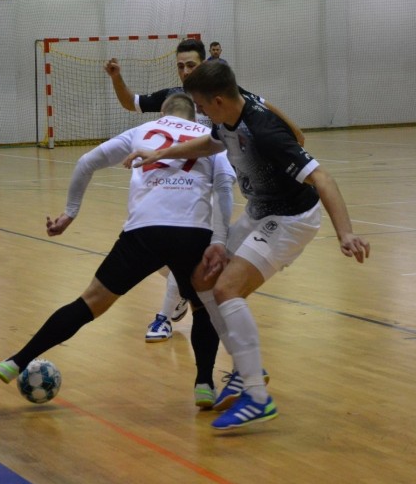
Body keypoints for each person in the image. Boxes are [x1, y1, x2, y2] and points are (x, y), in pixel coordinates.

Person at [125, 61, 371, 430]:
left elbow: (322, 176)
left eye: (204, 107)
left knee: (227, 288)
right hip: (261, 211)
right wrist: (162, 154)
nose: (201, 114)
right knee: (202, 280)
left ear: (219, 100)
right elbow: (212, 142)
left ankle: (257, 397)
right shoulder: (228, 115)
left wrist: (346, 233)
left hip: (291, 219)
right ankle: (245, 369)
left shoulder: (264, 130)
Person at [0, 93, 236, 410]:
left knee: (90, 302)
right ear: (194, 116)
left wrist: (70, 212)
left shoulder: (143, 131)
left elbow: (86, 163)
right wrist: (219, 239)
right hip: (192, 231)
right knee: (203, 306)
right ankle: (204, 383)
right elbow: (225, 189)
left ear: (162, 113)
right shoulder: (208, 138)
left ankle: (16, 361)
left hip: (144, 230)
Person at [104, 37, 306, 342]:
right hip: (178, 183)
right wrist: (117, 78)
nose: (185, 72)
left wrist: (286, 141)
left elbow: (283, 126)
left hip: (216, 182)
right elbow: (129, 102)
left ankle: (165, 317)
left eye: (191, 65)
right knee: (170, 254)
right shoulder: (173, 97)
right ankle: (185, 295)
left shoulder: (226, 95)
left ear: (206, 66)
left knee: (196, 254)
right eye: (181, 66)